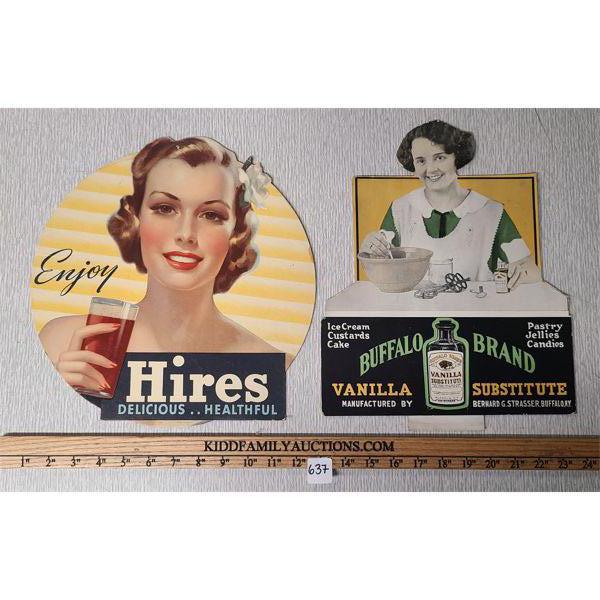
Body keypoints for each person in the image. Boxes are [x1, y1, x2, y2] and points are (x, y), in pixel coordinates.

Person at [40, 136, 287, 396]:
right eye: (165, 208)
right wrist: (61, 394)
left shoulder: (269, 364)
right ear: (136, 219)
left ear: (236, 231)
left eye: (211, 215)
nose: (186, 234)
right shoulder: (62, 341)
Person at [361, 120, 541, 288]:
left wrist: (520, 273)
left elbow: (531, 272)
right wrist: (370, 249)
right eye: (421, 161)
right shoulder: (401, 209)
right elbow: (380, 268)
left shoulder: (490, 211)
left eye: (440, 158)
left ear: (457, 157)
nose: (431, 169)